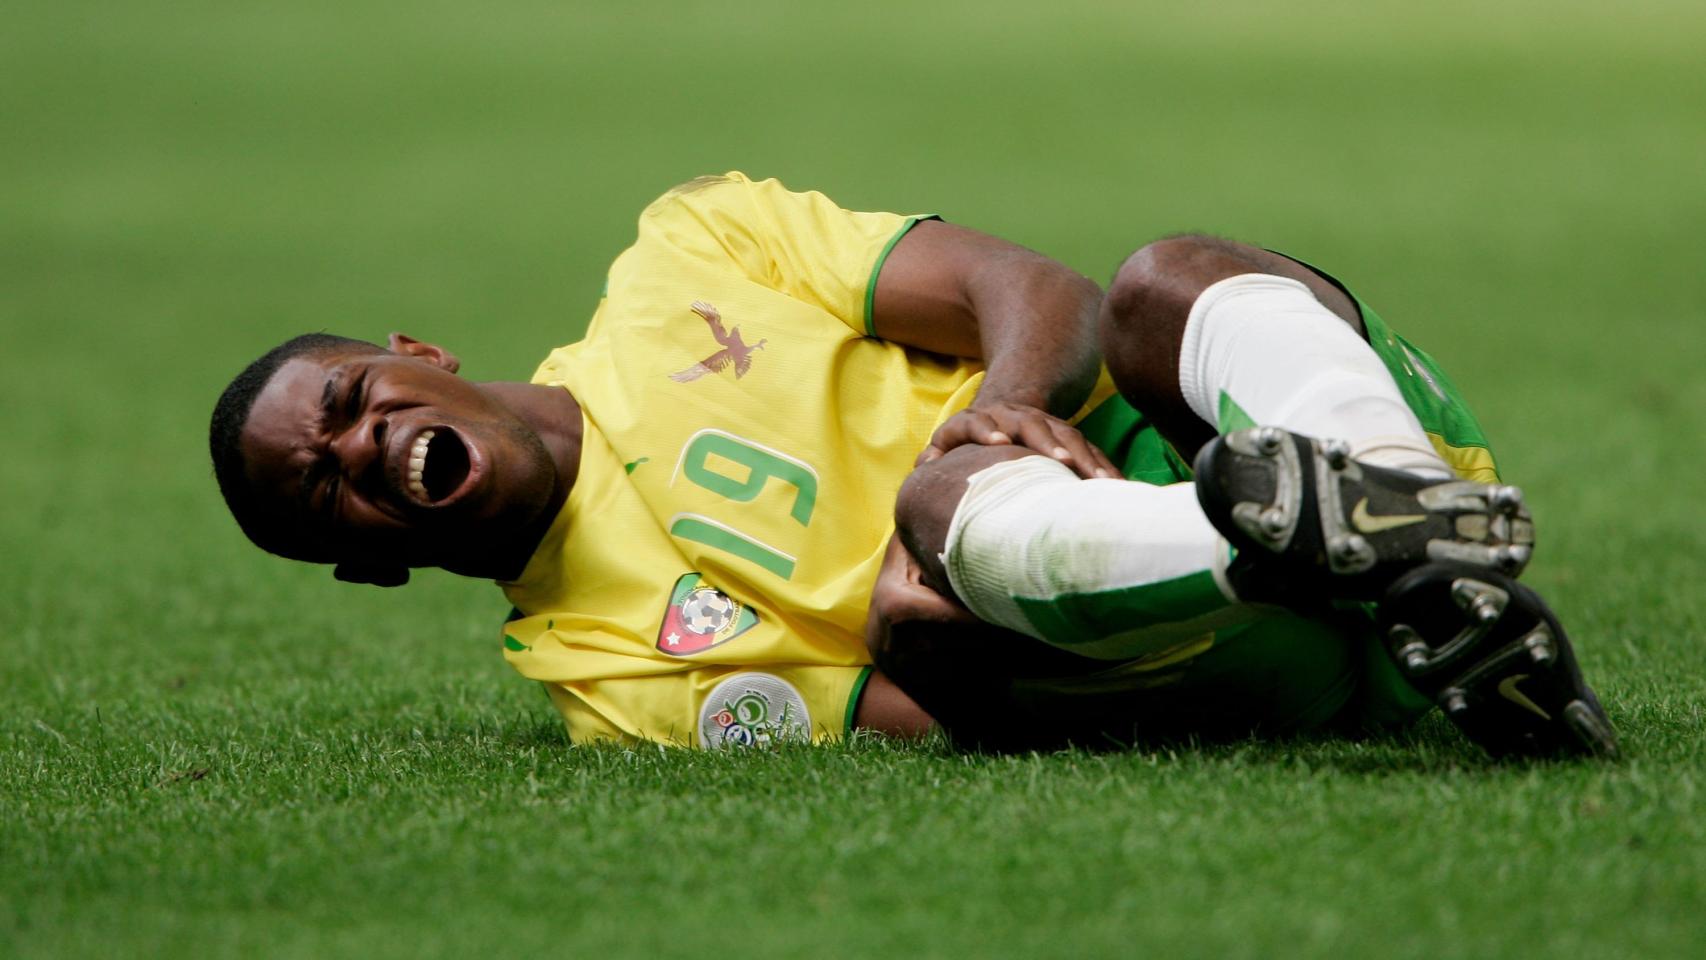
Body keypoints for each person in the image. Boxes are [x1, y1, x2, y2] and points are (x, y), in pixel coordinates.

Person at [209, 172, 1615, 757]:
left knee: (1160, 282)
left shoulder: (688, 250)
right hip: (1203, 648)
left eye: (346, 399)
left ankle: (1401, 506)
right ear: (371, 562)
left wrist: (991, 409)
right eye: (322, 482)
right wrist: (942, 532)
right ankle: (1304, 549)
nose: (360, 447)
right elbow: (934, 713)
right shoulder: (608, 675)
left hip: (1292, 425)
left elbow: (1035, 292)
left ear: (417, 354)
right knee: (930, 553)